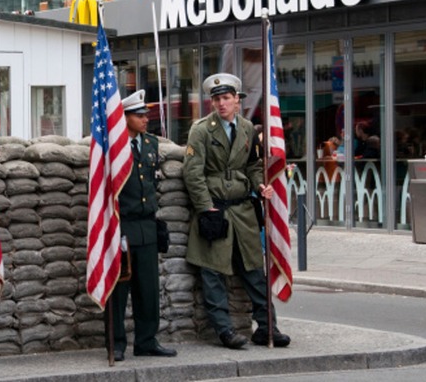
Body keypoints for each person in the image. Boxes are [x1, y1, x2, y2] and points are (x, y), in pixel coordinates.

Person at [183, 73, 291, 349]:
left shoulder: (246, 129)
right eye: (216, 99)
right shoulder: (201, 130)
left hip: (242, 209)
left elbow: (254, 165)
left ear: (237, 101)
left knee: (254, 269)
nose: (221, 104)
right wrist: (206, 206)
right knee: (213, 271)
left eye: (226, 98)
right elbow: (193, 173)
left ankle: (267, 327)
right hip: (215, 208)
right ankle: (224, 330)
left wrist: (261, 185)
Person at [105, 89, 178, 362]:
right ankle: (117, 342)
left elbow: (152, 180)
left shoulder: (150, 144)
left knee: (148, 289)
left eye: (145, 115)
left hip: (146, 224)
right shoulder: (114, 146)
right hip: (122, 223)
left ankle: (147, 340)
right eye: (139, 115)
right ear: (124, 118)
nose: (145, 119)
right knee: (119, 287)